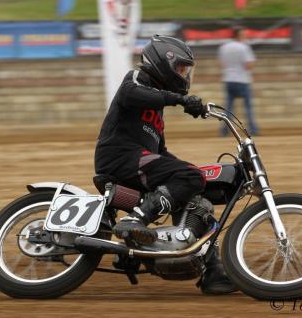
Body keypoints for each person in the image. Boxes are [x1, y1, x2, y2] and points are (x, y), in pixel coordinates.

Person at [94, 35, 238, 294]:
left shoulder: (155, 113)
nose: (184, 74)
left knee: (196, 195)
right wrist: (180, 100)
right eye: (181, 68)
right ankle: (133, 222)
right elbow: (131, 93)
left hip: (136, 159)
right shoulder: (137, 80)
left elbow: (161, 153)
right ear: (164, 61)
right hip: (118, 155)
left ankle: (212, 270)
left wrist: (193, 176)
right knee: (190, 177)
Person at [218, 26, 259, 136]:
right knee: (248, 107)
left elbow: (222, 64)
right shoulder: (244, 47)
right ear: (239, 35)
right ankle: (253, 129)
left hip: (228, 79)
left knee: (229, 108)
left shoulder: (224, 47)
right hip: (242, 80)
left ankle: (224, 131)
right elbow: (249, 64)